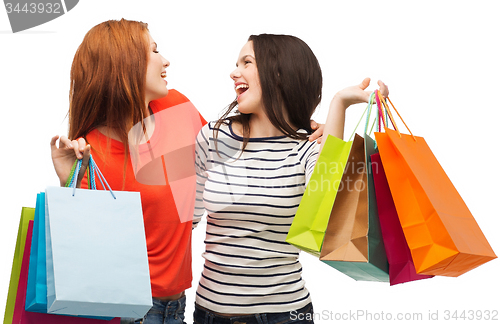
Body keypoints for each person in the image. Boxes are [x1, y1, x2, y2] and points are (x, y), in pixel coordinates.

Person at [50, 20, 325, 324]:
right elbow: (82, 245)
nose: (165, 60)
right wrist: (68, 181)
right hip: (129, 310)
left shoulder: (177, 107)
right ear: (124, 64)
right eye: (154, 50)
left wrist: (307, 129)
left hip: (180, 307)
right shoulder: (91, 152)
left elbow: (236, 154)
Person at [192, 34, 388, 324]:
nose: (234, 73)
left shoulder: (305, 147)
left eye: (247, 62)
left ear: (279, 74)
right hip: (210, 313)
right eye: (236, 64)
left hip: (284, 315)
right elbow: (185, 218)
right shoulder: (213, 137)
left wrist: (340, 104)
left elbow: (325, 202)